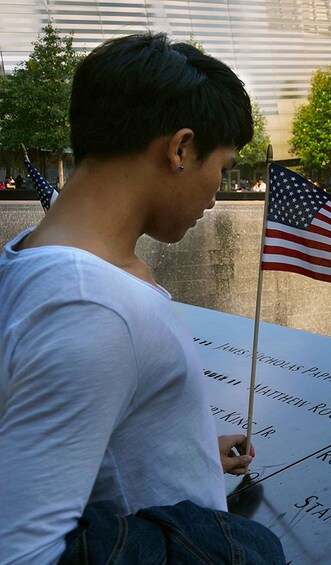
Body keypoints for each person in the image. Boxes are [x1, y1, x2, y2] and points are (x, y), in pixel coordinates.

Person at [0, 33, 284, 564]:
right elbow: (22, 551)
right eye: (221, 168)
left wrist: (189, 451)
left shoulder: (28, 259)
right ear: (180, 149)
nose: (216, 194)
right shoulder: (94, 310)